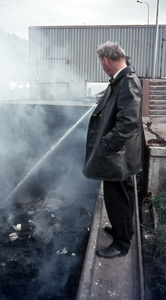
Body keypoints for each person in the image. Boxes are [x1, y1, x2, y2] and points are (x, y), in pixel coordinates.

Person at [83, 41, 142, 259]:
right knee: (120, 197)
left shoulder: (127, 83)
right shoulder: (121, 81)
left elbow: (127, 124)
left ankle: (121, 244)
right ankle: (121, 231)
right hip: (120, 155)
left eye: (101, 62)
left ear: (106, 60)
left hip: (118, 156)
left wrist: (106, 146)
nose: (102, 65)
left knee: (118, 198)